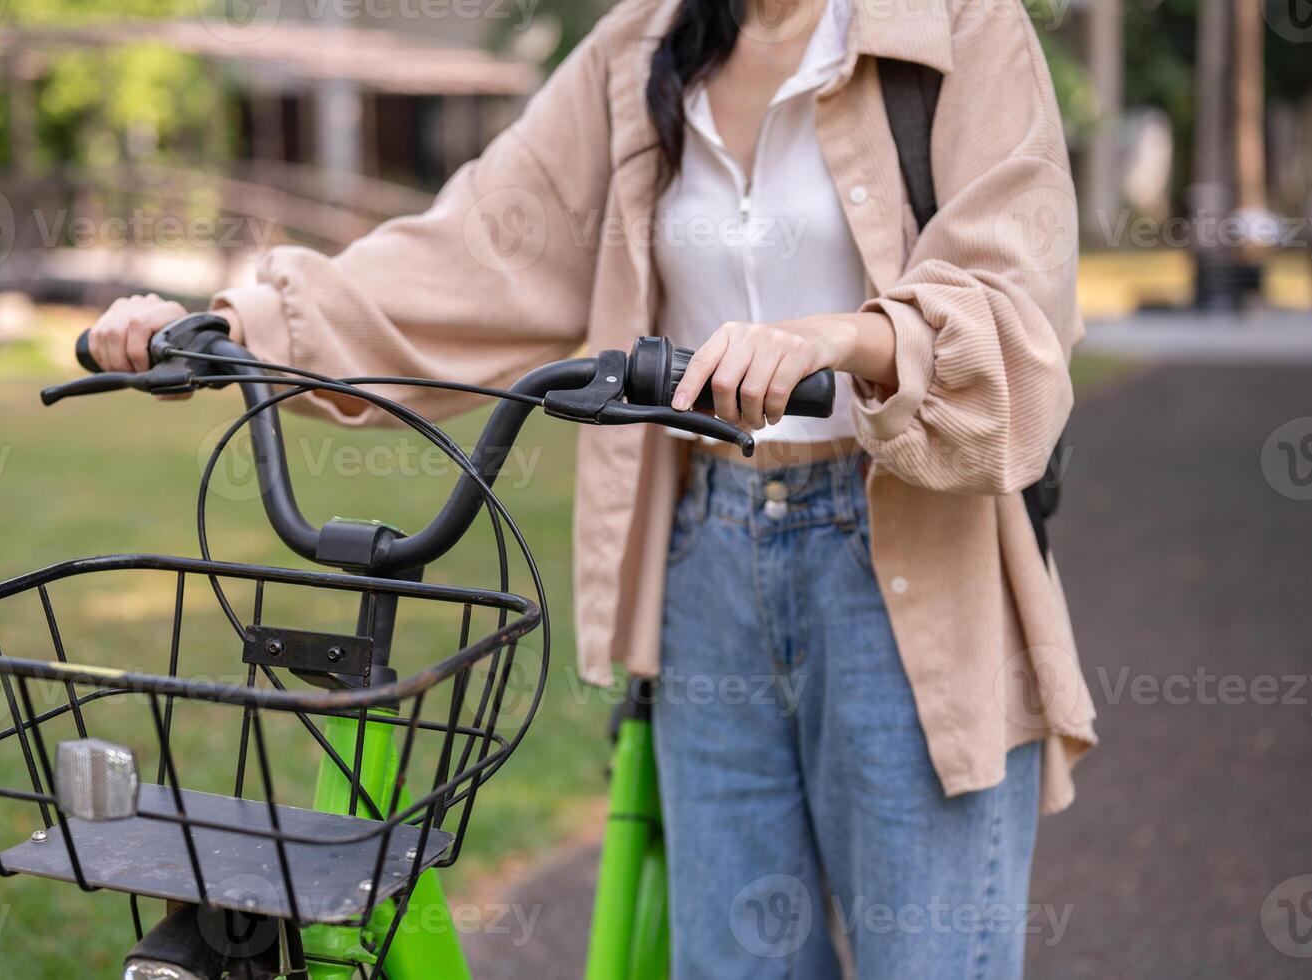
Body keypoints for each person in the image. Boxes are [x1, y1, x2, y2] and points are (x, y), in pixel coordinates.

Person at [87, 0, 1098, 974]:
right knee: (734, 964)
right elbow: (479, 246)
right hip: (707, 555)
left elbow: (1017, 295)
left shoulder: (958, 26)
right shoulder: (639, 49)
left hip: (908, 556)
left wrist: (839, 335)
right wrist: (241, 329)